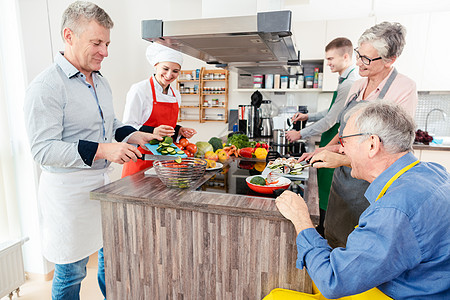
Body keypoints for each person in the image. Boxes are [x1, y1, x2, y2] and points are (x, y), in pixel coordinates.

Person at [23, 2, 162, 299]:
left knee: (107, 260)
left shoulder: (100, 81)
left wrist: (139, 136)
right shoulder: (46, 87)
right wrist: (103, 150)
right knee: (71, 272)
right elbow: (43, 150)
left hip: (101, 188)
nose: (105, 52)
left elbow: (110, 124)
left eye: (107, 43)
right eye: (97, 42)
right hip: (68, 196)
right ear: (69, 35)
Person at [276, 101, 450, 299]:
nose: (342, 151)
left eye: (344, 142)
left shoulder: (393, 210)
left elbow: (332, 280)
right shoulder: (434, 171)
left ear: (372, 144)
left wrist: (301, 219)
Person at [302, 22, 418, 248]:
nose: (358, 63)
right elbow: (343, 131)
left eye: (366, 59)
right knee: (333, 237)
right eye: (358, 54)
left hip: (372, 188)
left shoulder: (404, 89)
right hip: (343, 183)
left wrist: (343, 159)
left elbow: (395, 153)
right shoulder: (357, 85)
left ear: (390, 60)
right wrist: (325, 149)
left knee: (361, 248)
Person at [285, 37, 359, 236]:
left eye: (330, 58)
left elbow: (329, 122)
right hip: (328, 142)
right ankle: (324, 230)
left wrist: (299, 133)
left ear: (346, 56)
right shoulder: (345, 81)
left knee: (327, 193)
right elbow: (330, 112)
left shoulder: (349, 84)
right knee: (324, 190)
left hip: (332, 143)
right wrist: (308, 116)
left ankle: (324, 233)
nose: (328, 63)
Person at [121, 43, 197, 177]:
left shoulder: (175, 94)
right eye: (165, 68)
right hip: (141, 159)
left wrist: (178, 130)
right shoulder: (140, 90)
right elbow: (127, 127)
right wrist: (153, 132)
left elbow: (167, 128)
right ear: (156, 65)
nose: (169, 75)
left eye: (175, 71)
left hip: (166, 163)